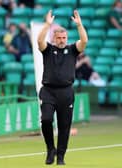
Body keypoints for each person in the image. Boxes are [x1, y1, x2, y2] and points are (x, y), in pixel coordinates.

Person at [37, 10, 88, 165]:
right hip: (48, 91)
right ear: (54, 38)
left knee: (64, 126)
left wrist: (79, 25)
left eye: (64, 38)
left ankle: (60, 157)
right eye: (59, 38)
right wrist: (47, 25)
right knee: (46, 120)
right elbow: (39, 42)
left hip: (66, 92)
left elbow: (84, 41)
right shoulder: (48, 50)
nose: (61, 40)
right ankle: (50, 149)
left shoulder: (72, 50)